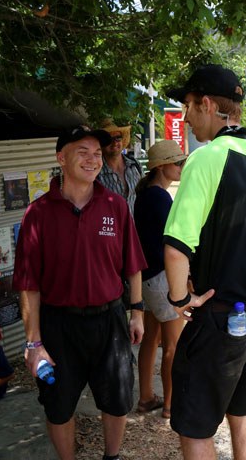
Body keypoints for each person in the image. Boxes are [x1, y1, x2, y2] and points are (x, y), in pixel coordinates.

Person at [163, 64, 246, 460]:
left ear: (206, 104)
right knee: (243, 411)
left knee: (197, 427)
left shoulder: (205, 158)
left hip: (218, 318)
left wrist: (180, 299)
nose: (184, 117)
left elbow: (176, 247)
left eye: (187, 106)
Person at [13, 125, 148, 460]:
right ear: (61, 157)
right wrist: (34, 342)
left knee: (117, 400)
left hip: (109, 320)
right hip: (59, 325)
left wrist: (137, 312)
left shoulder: (115, 205)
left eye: (98, 154)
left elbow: (132, 264)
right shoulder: (38, 213)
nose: (93, 160)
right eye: (82, 152)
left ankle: (111, 457)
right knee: (58, 405)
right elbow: (28, 285)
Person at [133, 140, 188, 419]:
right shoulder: (159, 197)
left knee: (151, 339)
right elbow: (174, 241)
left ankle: (146, 398)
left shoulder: (147, 194)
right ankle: (170, 405)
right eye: (178, 163)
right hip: (161, 278)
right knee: (172, 346)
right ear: (162, 166)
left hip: (147, 278)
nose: (181, 167)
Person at [97, 118, 143, 214]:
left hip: (136, 227)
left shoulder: (135, 165)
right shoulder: (96, 171)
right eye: (109, 139)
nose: (114, 143)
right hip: (110, 227)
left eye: (118, 138)